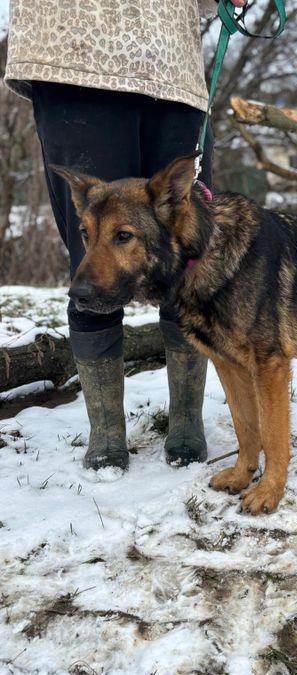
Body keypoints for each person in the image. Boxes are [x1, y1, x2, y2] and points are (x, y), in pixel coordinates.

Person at [3, 0, 245, 471]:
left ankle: (186, 419)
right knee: (94, 260)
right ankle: (107, 431)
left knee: (187, 252)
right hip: (74, 52)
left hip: (171, 62)